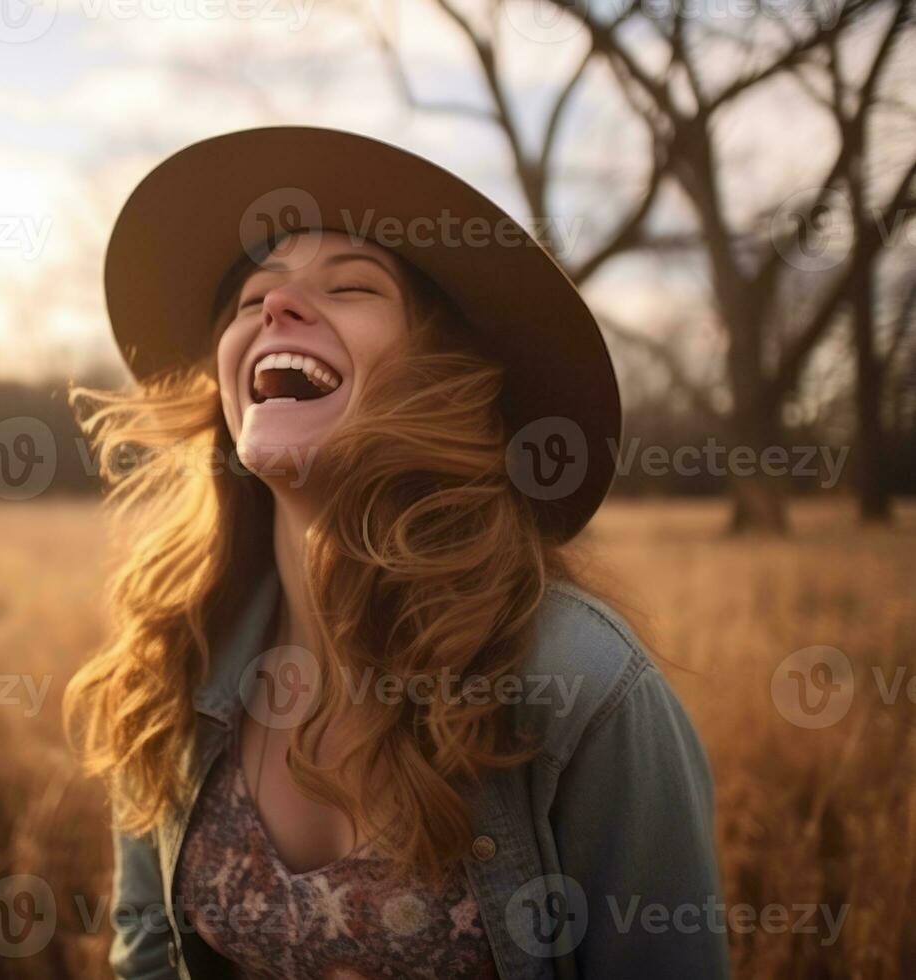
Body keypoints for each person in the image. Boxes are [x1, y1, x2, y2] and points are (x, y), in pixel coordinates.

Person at [63, 126, 728, 980]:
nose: (277, 307)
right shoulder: (173, 659)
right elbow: (147, 957)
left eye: (350, 287)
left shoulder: (587, 689)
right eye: (248, 300)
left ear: (439, 380)